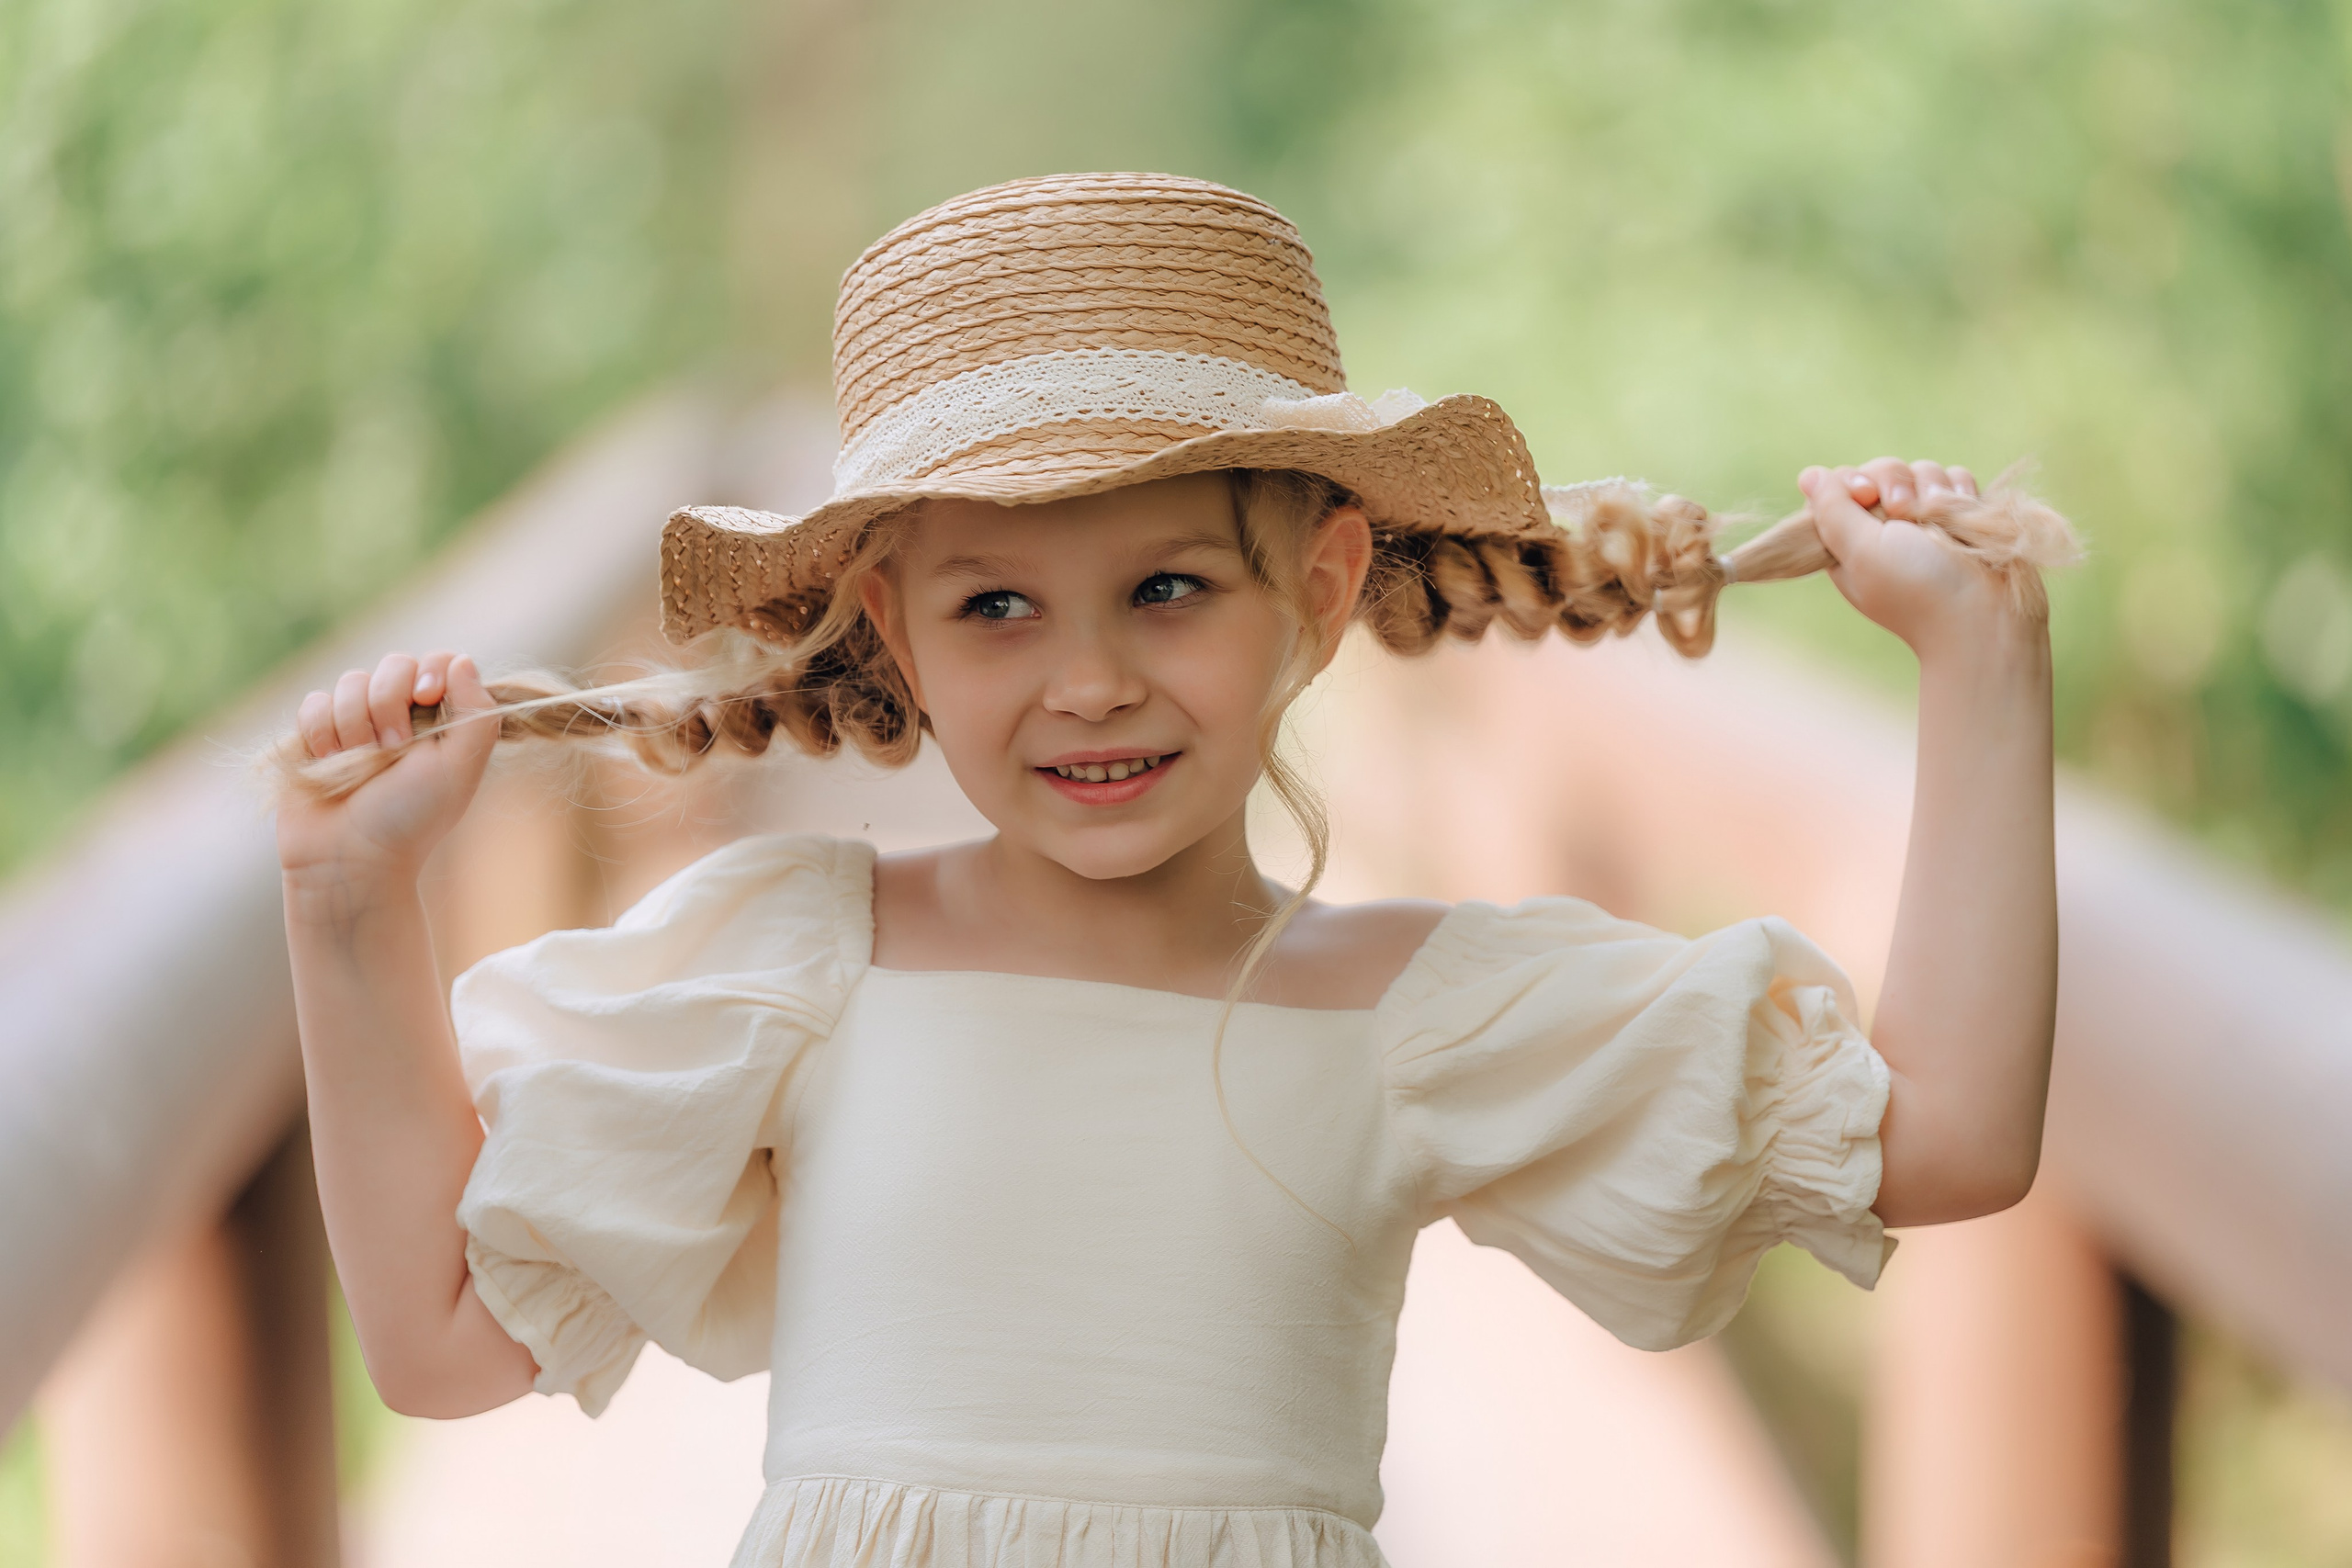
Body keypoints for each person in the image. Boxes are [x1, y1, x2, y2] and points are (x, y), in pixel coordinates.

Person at [274, 174, 2075, 1566]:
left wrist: (1978, 664)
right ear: (892, 632)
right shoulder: (805, 961)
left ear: (1309, 592)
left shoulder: (1413, 1008)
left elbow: (1942, 1132)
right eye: (996, 605)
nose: (1088, 679)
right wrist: (348, 910)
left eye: (1165, 587)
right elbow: (440, 1339)